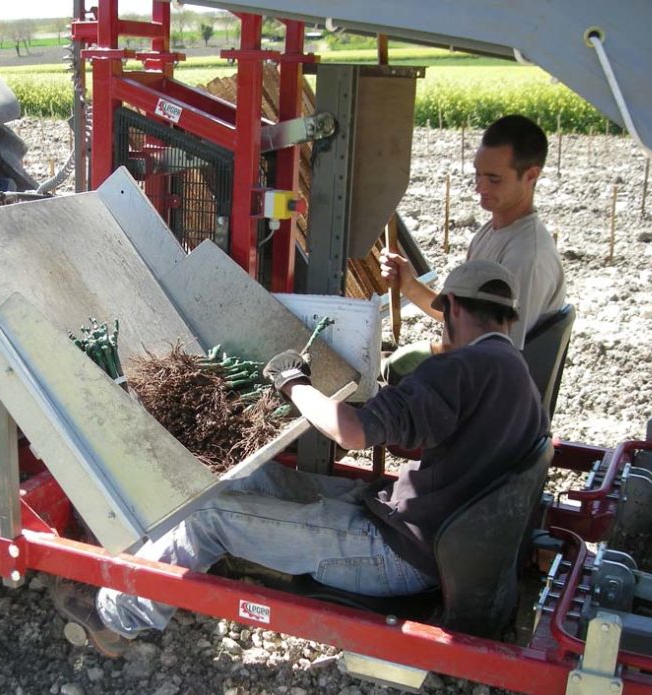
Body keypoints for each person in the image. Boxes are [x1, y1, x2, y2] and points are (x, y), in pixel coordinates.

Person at [50, 261, 549, 657]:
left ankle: (116, 619)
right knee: (247, 479)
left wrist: (292, 382)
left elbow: (348, 432)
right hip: (422, 530)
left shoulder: (460, 369)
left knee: (210, 517)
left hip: (397, 554)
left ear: (452, 307)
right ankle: (152, 561)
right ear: (507, 318)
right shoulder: (517, 375)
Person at [381, 114, 565, 382]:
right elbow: (462, 321)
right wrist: (409, 285)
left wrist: (429, 359)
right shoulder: (491, 232)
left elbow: (498, 363)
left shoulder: (526, 257)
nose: (480, 187)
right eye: (478, 174)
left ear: (531, 176)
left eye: (494, 179)